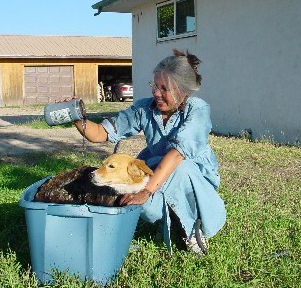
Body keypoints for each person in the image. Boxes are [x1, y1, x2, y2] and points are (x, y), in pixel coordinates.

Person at [73, 49, 226, 255]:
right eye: (155, 85)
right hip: (159, 174)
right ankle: (167, 224)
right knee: (131, 184)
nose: (156, 92)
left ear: (183, 91)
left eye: (164, 88)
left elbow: (176, 155)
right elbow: (100, 133)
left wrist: (146, 191)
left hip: (194, 181)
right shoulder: (144, 109)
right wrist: (75, 116)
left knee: (180, 169)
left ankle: (194, 231)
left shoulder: (197, 109)